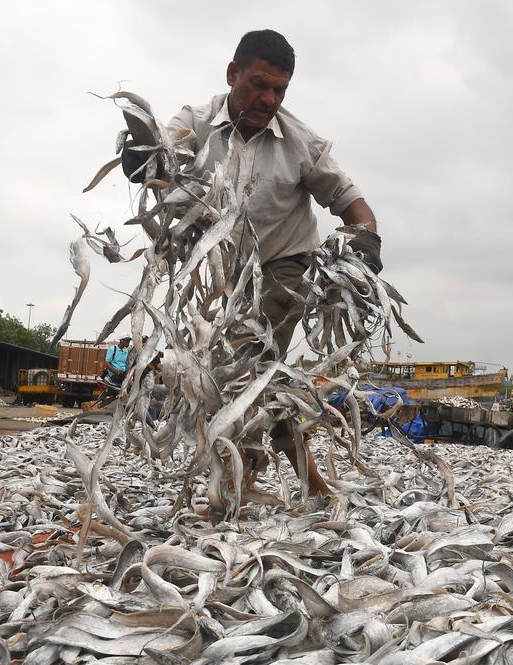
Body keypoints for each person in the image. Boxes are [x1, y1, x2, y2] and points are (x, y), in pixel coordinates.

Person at [122, 30, 382, 501]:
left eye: (280, 90)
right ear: (232, 74)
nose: (269, 99)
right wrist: (142, 159)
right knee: (266, 376)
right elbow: (162, 158)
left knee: (244, 367)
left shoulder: (301, 142)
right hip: (225, 276)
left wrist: (365, 239)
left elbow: (351, 203)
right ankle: (311, 483)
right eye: (259, 85)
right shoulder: (195, 123)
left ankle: (236, 487)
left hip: (285, 266)